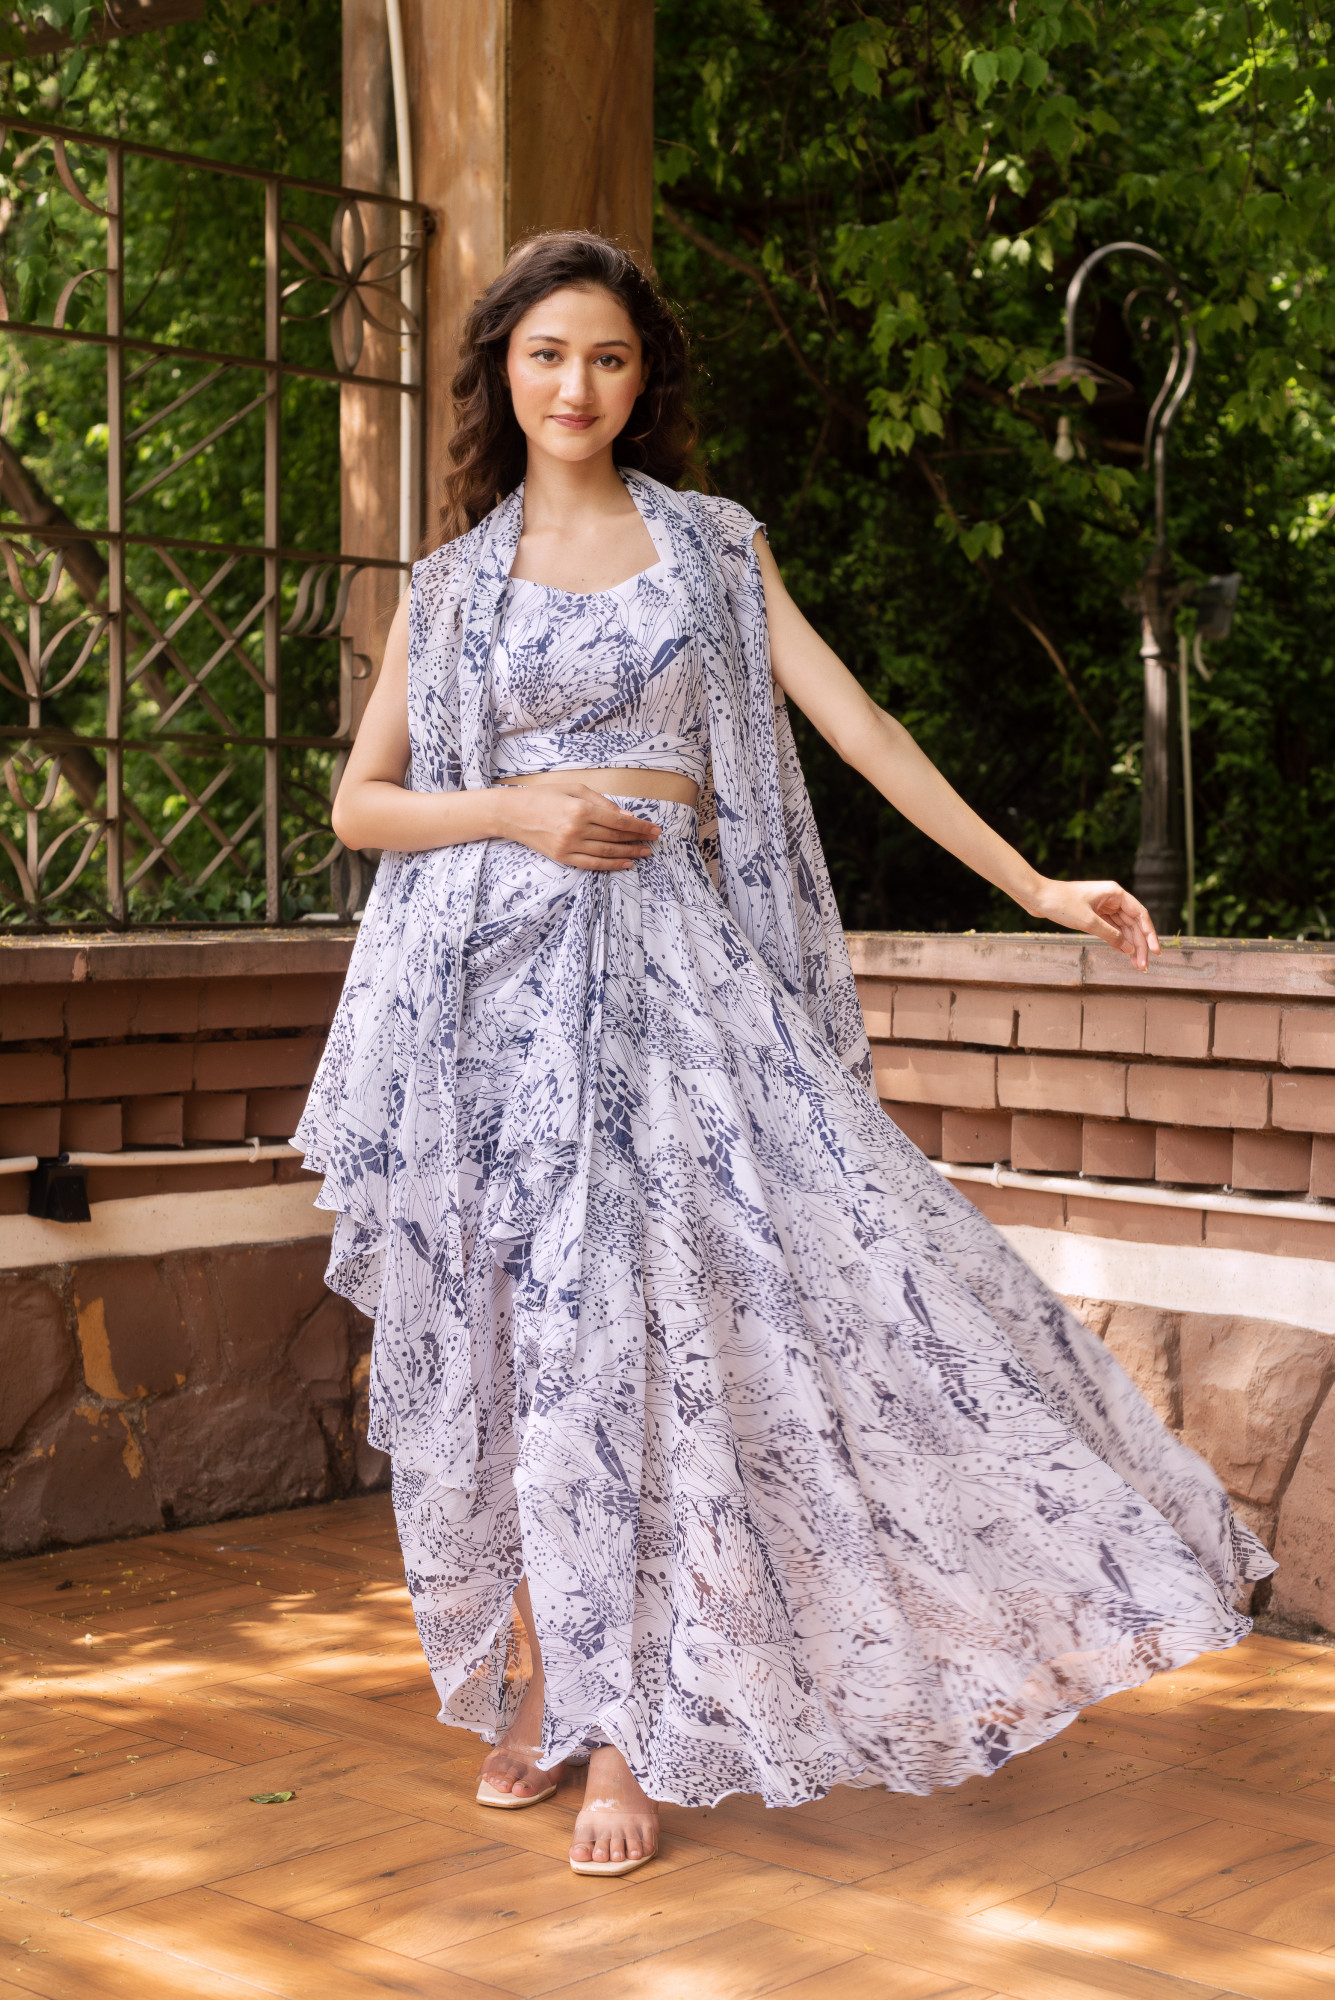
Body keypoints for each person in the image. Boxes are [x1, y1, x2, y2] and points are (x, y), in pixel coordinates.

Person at [296, 230, 1271, 1881]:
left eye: (604, 358)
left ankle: (627, 1732)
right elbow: (362, 804)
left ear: (641, 377)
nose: (574, 387)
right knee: (526, 1341)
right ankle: (544, 1682)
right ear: (502, 375)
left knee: (654, 1337)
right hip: (493, 1006)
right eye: (544, 357)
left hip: (680, 995)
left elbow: (864, 727)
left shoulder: (709, 551)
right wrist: (519, 807)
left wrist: (1035, 880)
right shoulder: (453, 583)